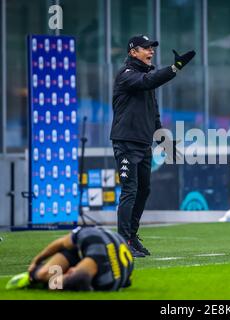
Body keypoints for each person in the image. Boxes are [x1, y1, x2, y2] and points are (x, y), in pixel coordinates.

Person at [110, 34, 195, 258]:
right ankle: (122, 242)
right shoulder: (126, 75)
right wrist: (175, 67)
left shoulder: (146, 78)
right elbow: (149, 81)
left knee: (144, 189)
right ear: (132, 52)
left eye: (152, 48)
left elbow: (154, 116)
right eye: (146, 48)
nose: (151, 51)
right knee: (130, 190)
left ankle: (131, 237)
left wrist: (164, 143)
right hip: (126, 142)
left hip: (143, 143)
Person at [6, 226, 134, 291]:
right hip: (92, 247)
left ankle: (43, 281)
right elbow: (61, 243)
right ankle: (34, 275)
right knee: (42, 274)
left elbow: (126, 280)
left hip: (102, 258)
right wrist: (37, 260)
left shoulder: (106, 284)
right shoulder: (89, 238)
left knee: (54, 284)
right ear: (71, 270)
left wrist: (61, 284)